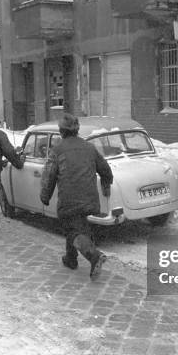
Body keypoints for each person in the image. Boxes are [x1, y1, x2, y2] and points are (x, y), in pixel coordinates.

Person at [40, 114, 113, 281]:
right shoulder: (89, 148)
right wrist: (106, 184)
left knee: (72, 231)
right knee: (77, 228)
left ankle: (94, 256)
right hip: (90, 199)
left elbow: (49, 176)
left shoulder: (57, 151)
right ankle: (71, 259)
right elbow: (106, 170)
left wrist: (45, 196)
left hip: (69, 201)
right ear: (77, 130)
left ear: (61, 131)